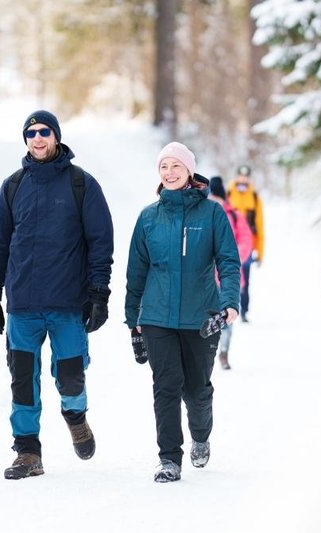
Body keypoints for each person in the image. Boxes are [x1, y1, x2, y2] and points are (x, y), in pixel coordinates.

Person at [0, 110, 114, 480]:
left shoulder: (81, 184)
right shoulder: (12, 186)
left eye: (44, 132)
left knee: (71, 377)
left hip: (68, 303)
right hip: (22, 305)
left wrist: (98, 293)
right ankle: (28, 452)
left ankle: (75, 416)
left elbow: (100, 243)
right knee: (22, 380)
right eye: (30, 133)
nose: (37, 138)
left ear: (56, 136)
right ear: (25, 140)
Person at [125, 142, 241, 483]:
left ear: (189, 171)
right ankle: (169, 458)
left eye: (176, 166)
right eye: (164, 167)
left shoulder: (212, 213)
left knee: (196, 389)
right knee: (166, 386)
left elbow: (229, 262)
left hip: (201, 317)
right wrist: (133, 320)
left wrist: (230, 301)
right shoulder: (148, 217)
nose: (170, 172)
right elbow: (136, 271)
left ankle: (201, 435)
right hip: (157, 317)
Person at [209, 175, 253, 370]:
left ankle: (224, 352)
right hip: (206, 279)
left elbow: (246, 241)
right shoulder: (201, 215)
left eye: (216, 198)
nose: (213, 201)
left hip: (228, 277)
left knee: (227, 316)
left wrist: (232, 260)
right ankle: (209, 351)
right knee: (208, 317)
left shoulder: (234, 215)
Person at [227, 164, 264, 322]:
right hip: (229, 243)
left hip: (248, 246)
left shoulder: (254, 197)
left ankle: (244, 310)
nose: (243, 179)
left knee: (245, 279)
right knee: (229, 276)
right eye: (240, 175)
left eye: (246, 176)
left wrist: (260, 252)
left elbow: (260, 225)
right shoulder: (228, 193)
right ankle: (228, 308)